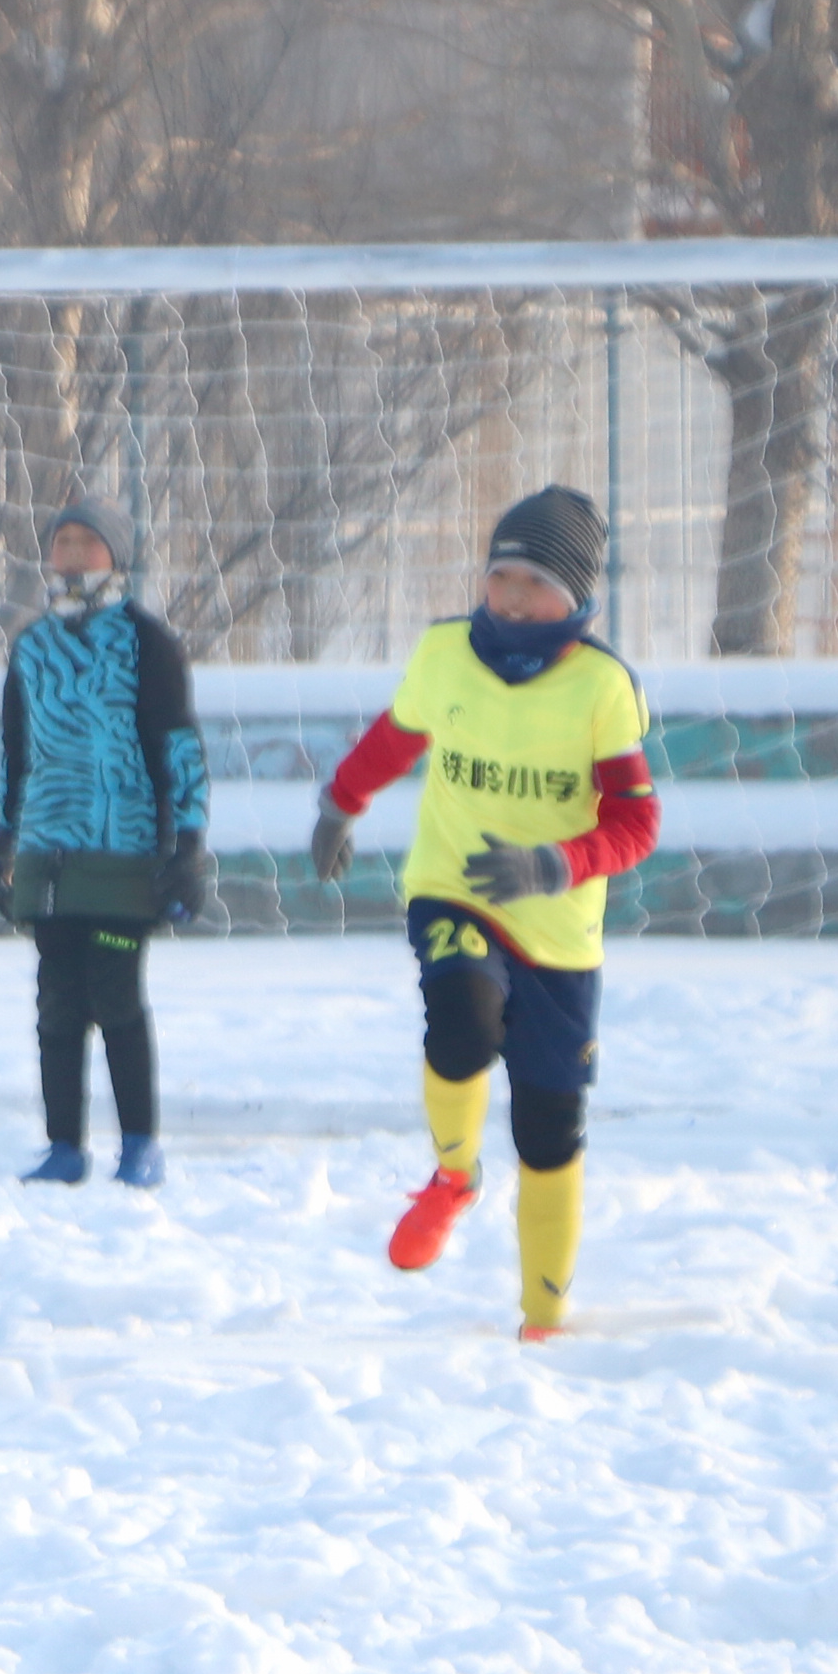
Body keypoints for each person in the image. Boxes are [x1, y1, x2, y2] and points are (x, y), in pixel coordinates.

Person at [311, 486, 659, 1340]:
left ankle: (543, 1319)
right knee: (462, 1016)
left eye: (534, 583)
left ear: (576, 599)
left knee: (548, 1134)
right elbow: (398, 737)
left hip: (558, 927)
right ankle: (454, 1177)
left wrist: (558, 863)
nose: (510, 596)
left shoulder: (602, 688)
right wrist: (340, 802)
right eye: (500, 574)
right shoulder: (445, 655)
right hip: (456, 884)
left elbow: (637, 823)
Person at [0, 495, 212, 1189]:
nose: (75, 555)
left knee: (116, 994)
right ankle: (64, 1145)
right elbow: (15, 753)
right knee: (55, 998)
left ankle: (140, 1143)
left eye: (91, 542)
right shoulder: (31, 647)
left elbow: (179, 744)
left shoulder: (147, 642)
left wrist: (188, 844)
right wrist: (4, 843)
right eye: (64, 542)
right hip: (48, 854)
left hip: (124, 854)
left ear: (117, 555)